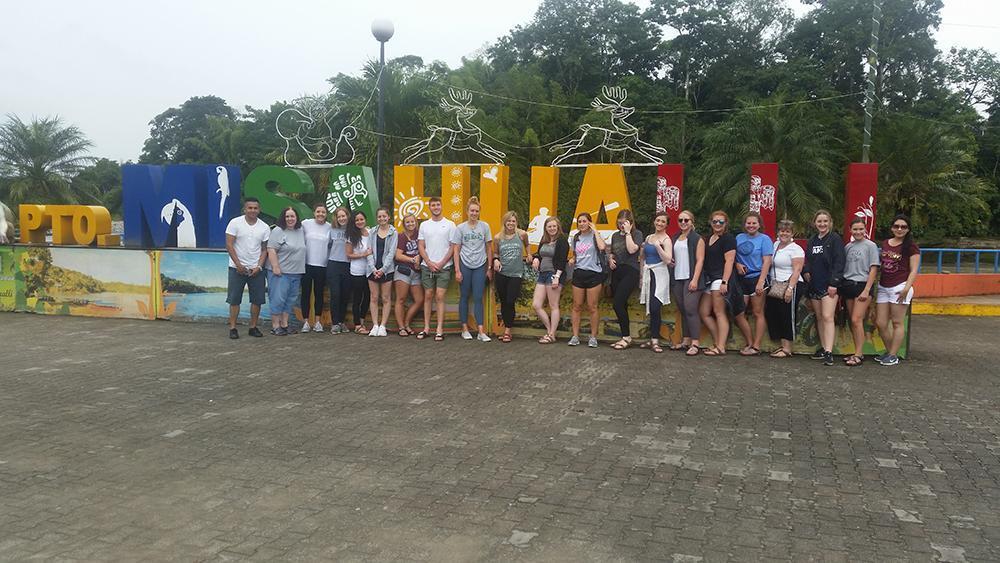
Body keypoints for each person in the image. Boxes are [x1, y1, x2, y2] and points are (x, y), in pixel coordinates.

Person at [875, 214, 920, 367]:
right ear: (891, 228)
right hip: (883, 286)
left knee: (896, 322)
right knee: (881, 323)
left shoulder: (911, 246)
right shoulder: (886, 243)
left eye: (903, 227)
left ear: (908, 229)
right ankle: (890, 352)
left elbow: (914, 270)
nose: (899, 229)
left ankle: (893, 355)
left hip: (900, 287)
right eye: (896, 226)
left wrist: (906, 289)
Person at [804, 209, 845, 366]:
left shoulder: (835, 239)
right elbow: (807, 259)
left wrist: (834, 283)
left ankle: (829, 351)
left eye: (825, 221)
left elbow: (839, 262)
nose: (822, 224)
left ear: (830, 222)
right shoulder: (813, 240)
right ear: (815, 223)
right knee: (819, 317)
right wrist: (806, 271)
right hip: (815, 285)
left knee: (828, 317)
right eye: (819, 221)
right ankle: (823, 348)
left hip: (829, 286)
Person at [224, 197, 270, 339]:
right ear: (245, 209)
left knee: (257, 300)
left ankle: (253, 327)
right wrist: (238, 264)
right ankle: (233, 328)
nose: (252, 210)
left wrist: (259, 266)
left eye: (255, 208)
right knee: (234, 299)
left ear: (259, 210)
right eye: (250, 208)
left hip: (255, 269)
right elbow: (229, 245)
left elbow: (264, 249)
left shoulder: (264, 227)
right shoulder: (235, 223)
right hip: (236, 268)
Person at [453, 197, 494, 342]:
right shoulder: (460, 228)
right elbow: (456, 250)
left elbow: (489, 247)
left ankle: (481, 331)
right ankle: (464, 329)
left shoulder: (484, 226)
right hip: (465, 264)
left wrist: (489, 267)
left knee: (477, 297)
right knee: (464, 296)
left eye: (476, 211)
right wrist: (457, 270)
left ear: (479, 212)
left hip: (480, 265)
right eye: (472, 210)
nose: (474, 213)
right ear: (467, 211)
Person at [841, 218, 880, 366]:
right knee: (853, 321)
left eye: (861, 229)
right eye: (855, 229)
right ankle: (857, 352)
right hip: (848, 285)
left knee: (857, 319)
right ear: (850, 230)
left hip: (862, 285)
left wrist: (867, 290)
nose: (858, 232)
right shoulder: (848, 247)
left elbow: (873, 269)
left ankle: (858, 354)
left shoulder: (871, 246)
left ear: (865, 230)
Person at [418, 197, 458, 341]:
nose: (436, 207)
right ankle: (426, 328)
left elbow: (453, 246)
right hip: (427, 266)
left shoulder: (450, 224)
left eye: (438, 205)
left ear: (441, 206)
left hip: (444, 266)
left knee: (440, 296)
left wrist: (441, 263)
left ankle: (440, 328)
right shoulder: (424, 225)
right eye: (433, 205)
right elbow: (421, 245)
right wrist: (428, 261)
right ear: (429, 207)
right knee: (428, 295)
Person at [733, 212, 773, 356]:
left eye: (754, 223)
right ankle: (749, 341)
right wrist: (737, 264)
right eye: (748, 223)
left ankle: (756, 346)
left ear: (759, 224)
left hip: (757, 277)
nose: (751, 225)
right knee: (739, 312)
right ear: (744, 224)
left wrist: (761, 282)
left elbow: (767, 261)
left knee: (757, 312)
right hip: (742, 279)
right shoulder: (739, 238)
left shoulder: (764, 239)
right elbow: (733, 256)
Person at [764, 220, 805, 358]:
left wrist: (790, 288)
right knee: (775, 313)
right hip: (776, 285)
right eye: (782, 231)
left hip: (790, 284)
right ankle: (782, 345)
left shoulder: (796, 249)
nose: (784, 233)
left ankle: (787, 348)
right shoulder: (775, 245)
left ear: (792, 233)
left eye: (787, 231)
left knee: (787, 315)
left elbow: (797, 269)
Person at [699, 211, 736, 356]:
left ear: (726, 223)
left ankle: (721, 347)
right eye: (715, 221)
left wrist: (724, 281)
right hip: (709, 278)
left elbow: (730, 261)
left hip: (720, 278)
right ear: (711, 222)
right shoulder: (708, 238)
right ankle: (718, 342)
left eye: (721, 222)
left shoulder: (728, 239)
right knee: (704, 312)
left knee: (719, 312)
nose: (717, 224)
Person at [265, 207, 306, 336]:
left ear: (297, 218)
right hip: (280, 273)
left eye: (292, 216)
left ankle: (285, 324)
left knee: (290, 300)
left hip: (296, 272)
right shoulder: (278, 231)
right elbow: (271, 249)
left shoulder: (300, 230)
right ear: (283, 217)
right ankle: (275, 326)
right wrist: (275, 266)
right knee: (278, 299)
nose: (290, 219)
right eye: (287, 216)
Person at [568, 212, 607, 348]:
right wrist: (573, 259)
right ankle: (575, 336)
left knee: (592, 306)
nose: (582, 224)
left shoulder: (595, 236)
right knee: (577, 306)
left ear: (589, 222)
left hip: (594, 273)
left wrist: (595, 230)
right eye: (579, 221)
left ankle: (593, 337)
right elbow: (575, 254)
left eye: (584, 221)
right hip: (579, 273)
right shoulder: (576, 237)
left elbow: (602, 248)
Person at [670, 210, 705, 356]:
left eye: (686, 220)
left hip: (691, 278)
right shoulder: (676, 237)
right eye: (680, 220)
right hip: (677, 277)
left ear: (692, 222)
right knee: (683, 309)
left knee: (691, 309)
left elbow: (700, 260)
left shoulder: (697, 239)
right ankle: (686, 340)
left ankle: (695, 343)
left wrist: (695, 279)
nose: (683, 223)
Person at [607, 209, 642, 350]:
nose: (622, 225)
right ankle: (624, 336)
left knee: (618, 303)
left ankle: (627, 337)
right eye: (620, 223)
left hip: (631, 271)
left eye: (625, 223)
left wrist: (628, 232)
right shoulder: (615, 235)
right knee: (622, 305)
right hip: (617, 272)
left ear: (631, 223)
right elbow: (613, 253)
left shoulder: (637, 234)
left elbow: (632, 249)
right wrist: (610, 258)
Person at [493, 211, 529, 343]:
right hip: (502, 273)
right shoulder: (498, 237)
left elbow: (527, 245)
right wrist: (495, 260)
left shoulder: (522, 234)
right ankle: (506, 329)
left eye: (513, 221)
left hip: (516, 273)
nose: (511, 223)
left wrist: (529, 254)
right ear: (505, 222)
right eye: (509, 221)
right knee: (503, 302)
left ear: (516, 222)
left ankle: (508, 330)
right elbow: (495, 253)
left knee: (510, 300)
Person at [639, 211, 672, 353]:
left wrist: (658, 246)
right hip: (648, 274)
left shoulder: (666, 240)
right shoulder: (649, 237)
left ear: (666, 224)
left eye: (663, 222)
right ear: (654, 221)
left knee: (655, 306)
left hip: (660, 275)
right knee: (649, 307)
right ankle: (652, 339)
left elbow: (668, 260)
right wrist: (641, 276)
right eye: (658, 220)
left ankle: (656, 340)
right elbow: (643, 257)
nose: (659, 223)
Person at [531, 217, 569, 344]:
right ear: (546, 228)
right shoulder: (544, 240)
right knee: (536, 305)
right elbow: (539, 253)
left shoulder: (562, 240)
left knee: (553, 305)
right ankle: (549, 330)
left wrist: (557, 277)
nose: (552, 229)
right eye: (549, 226)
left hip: (554, 274)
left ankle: (552, 334)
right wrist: (536, 258)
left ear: (558, 227)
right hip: (542, 274)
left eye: (554, 226)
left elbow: (563, 260)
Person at [365, 206, 397, 338]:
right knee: (373, 297)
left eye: (384, 216)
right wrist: (373, 269)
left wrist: (383, 270)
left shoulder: (393, 232)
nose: (382, 218)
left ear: (388, 217)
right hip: (372, 269)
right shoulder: (372, 232)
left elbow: (392, 253)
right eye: (379, 216)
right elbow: (369, 251)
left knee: (385, 298)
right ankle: (375, 325)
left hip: (387, 270)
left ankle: (383, 325)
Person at [300, 204, 332, 333]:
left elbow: (331, 245)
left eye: (323, 212)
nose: (320, 214)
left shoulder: (330, 227)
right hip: (306, 264)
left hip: (322, 266)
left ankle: (318, 322)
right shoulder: (305, 224)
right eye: (318, 211)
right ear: (314, 213)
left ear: (326, 214)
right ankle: (306, 322)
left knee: (319, 294)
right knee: (305, 294)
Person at [393, 213, 424, 337]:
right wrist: (412, 260)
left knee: (419, 300)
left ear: (416, 222)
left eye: (412, 221)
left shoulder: (420, 235)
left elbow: (424, 249)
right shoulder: (401, 236)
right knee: (401, 299)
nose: (410, 224)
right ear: (404, 224)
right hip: (404, 270)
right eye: (408, 222)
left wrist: (419, 257)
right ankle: (401, 327)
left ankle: (406, 323)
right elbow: (398, 255)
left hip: (416, 272)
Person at [345, 210, 372, 334]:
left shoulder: (371, 232)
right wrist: (363, 254)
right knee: (357, 298)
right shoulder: (351, 235)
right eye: (357, 220)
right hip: (357, 271)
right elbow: (348, 254)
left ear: (365, 219)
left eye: (361, 219)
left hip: (370, 270)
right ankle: (357, 325)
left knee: (367, 297)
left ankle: (362, 321)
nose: (360, 222)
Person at [326, 206, 352, 334]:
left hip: (348, 265)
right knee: (335, 294)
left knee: (345, 295)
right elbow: (327, 247)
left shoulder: (353, 230)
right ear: (336, 218)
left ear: (348, 216)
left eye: (344, 216)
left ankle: (341, 322)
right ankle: (335, 323)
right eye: (339, 216)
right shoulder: (331, 230)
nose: (342, 218)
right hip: (334, 264)